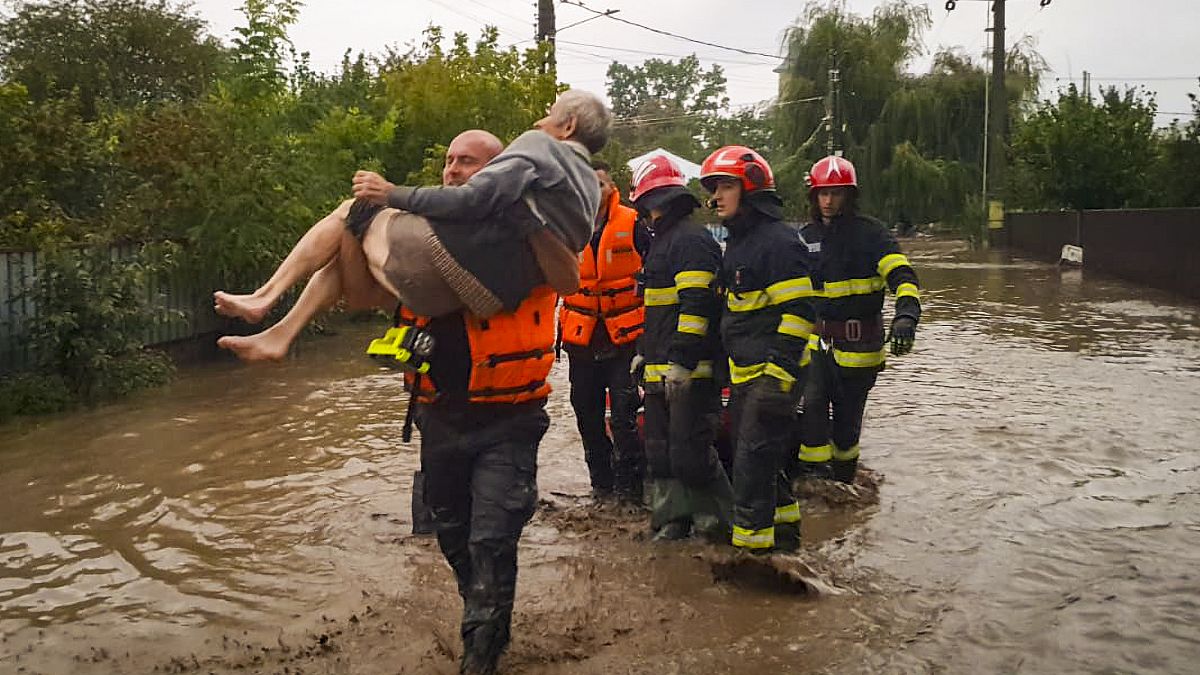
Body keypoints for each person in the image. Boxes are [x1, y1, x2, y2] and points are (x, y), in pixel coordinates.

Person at [213, 89, 609, 361]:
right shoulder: (591, 189)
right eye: (449, 161)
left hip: (443, 263)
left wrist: (390, 192)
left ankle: (265, 296)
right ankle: (278, 334)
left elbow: (472, 201)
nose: (541, 122)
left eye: (550, 115)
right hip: (478, 298)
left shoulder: (540, 145)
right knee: (346, 238)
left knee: (355, 206)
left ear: (568, 125)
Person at [700, 145, 815, 554]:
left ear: (749, 187)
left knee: (749, 468)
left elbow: (801, 313)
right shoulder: (741, 243)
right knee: (764, 463)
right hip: (749, 375)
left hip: (772, 377)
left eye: (725, 185)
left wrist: (776, 378)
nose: (715, 197)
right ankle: (785, 538)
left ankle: (751, 560)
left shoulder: (778, 243)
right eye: (713, 188)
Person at [795, 155, 921, 484]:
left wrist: (906, 316)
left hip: (860, 345)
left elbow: (903, 275)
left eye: (836, 193)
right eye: (822, 193)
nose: (828, 200)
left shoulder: (872, 235)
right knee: (812, 411)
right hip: (815, 344)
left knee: (847, 426)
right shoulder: (804, 237)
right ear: (813, 196)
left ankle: (845, 484)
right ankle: (815, 487)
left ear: (849, 196)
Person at [629, 154, 733, 542]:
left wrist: (683, 363)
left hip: (690, 373)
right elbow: (657, 311)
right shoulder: (662, 244)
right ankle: (673, 522)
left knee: (691, 455)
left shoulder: (690, 241)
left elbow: (696, 307)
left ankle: (720, 526)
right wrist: (643, 350)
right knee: (660, 454)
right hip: (659, 369)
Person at [558, 161, 648, 504]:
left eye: (598, 183)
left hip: (624, 340)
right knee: (586, 416)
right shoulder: (564, 229)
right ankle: (601, 487)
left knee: (624, 418)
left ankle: (629, 492)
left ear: (611, 187)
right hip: (581, 342)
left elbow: (656, 272)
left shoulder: (634, 223)